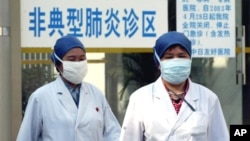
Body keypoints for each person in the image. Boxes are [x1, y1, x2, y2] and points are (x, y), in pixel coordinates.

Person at [119, 31, 229, 141]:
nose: (176, 61)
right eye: (169, 57)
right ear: (158, 62)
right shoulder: (140, 99)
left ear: (190, 60)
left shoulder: (208, 98)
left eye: (182, 56)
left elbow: (220, 137)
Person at [16, 35, 121, 141]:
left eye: (82, 59)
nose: (78, 63)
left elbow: (113, 133)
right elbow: (26, 137)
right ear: (58, 63)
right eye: (72, 59)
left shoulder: (96, 94)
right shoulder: (41, 97)